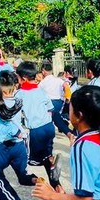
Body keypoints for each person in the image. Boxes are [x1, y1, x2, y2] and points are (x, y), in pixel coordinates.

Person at [15, 61, 62, 190]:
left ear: (23, 79)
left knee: (30, 159)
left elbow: (16, 114)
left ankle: (33, 179)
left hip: (36, 130)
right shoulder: (41, 91)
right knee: (47, 155)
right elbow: (50, 108)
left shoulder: (19, 95)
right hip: (48, 127)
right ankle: (57, 186)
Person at [39, 61, 71, 137]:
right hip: (59, 102)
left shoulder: (42, 83)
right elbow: (66, 86)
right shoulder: (58, 80)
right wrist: (68, 97)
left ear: (43, 71)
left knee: (52, 118)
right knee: (55, 117)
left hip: (48, 104)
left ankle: (68, 132)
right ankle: (68, 131)